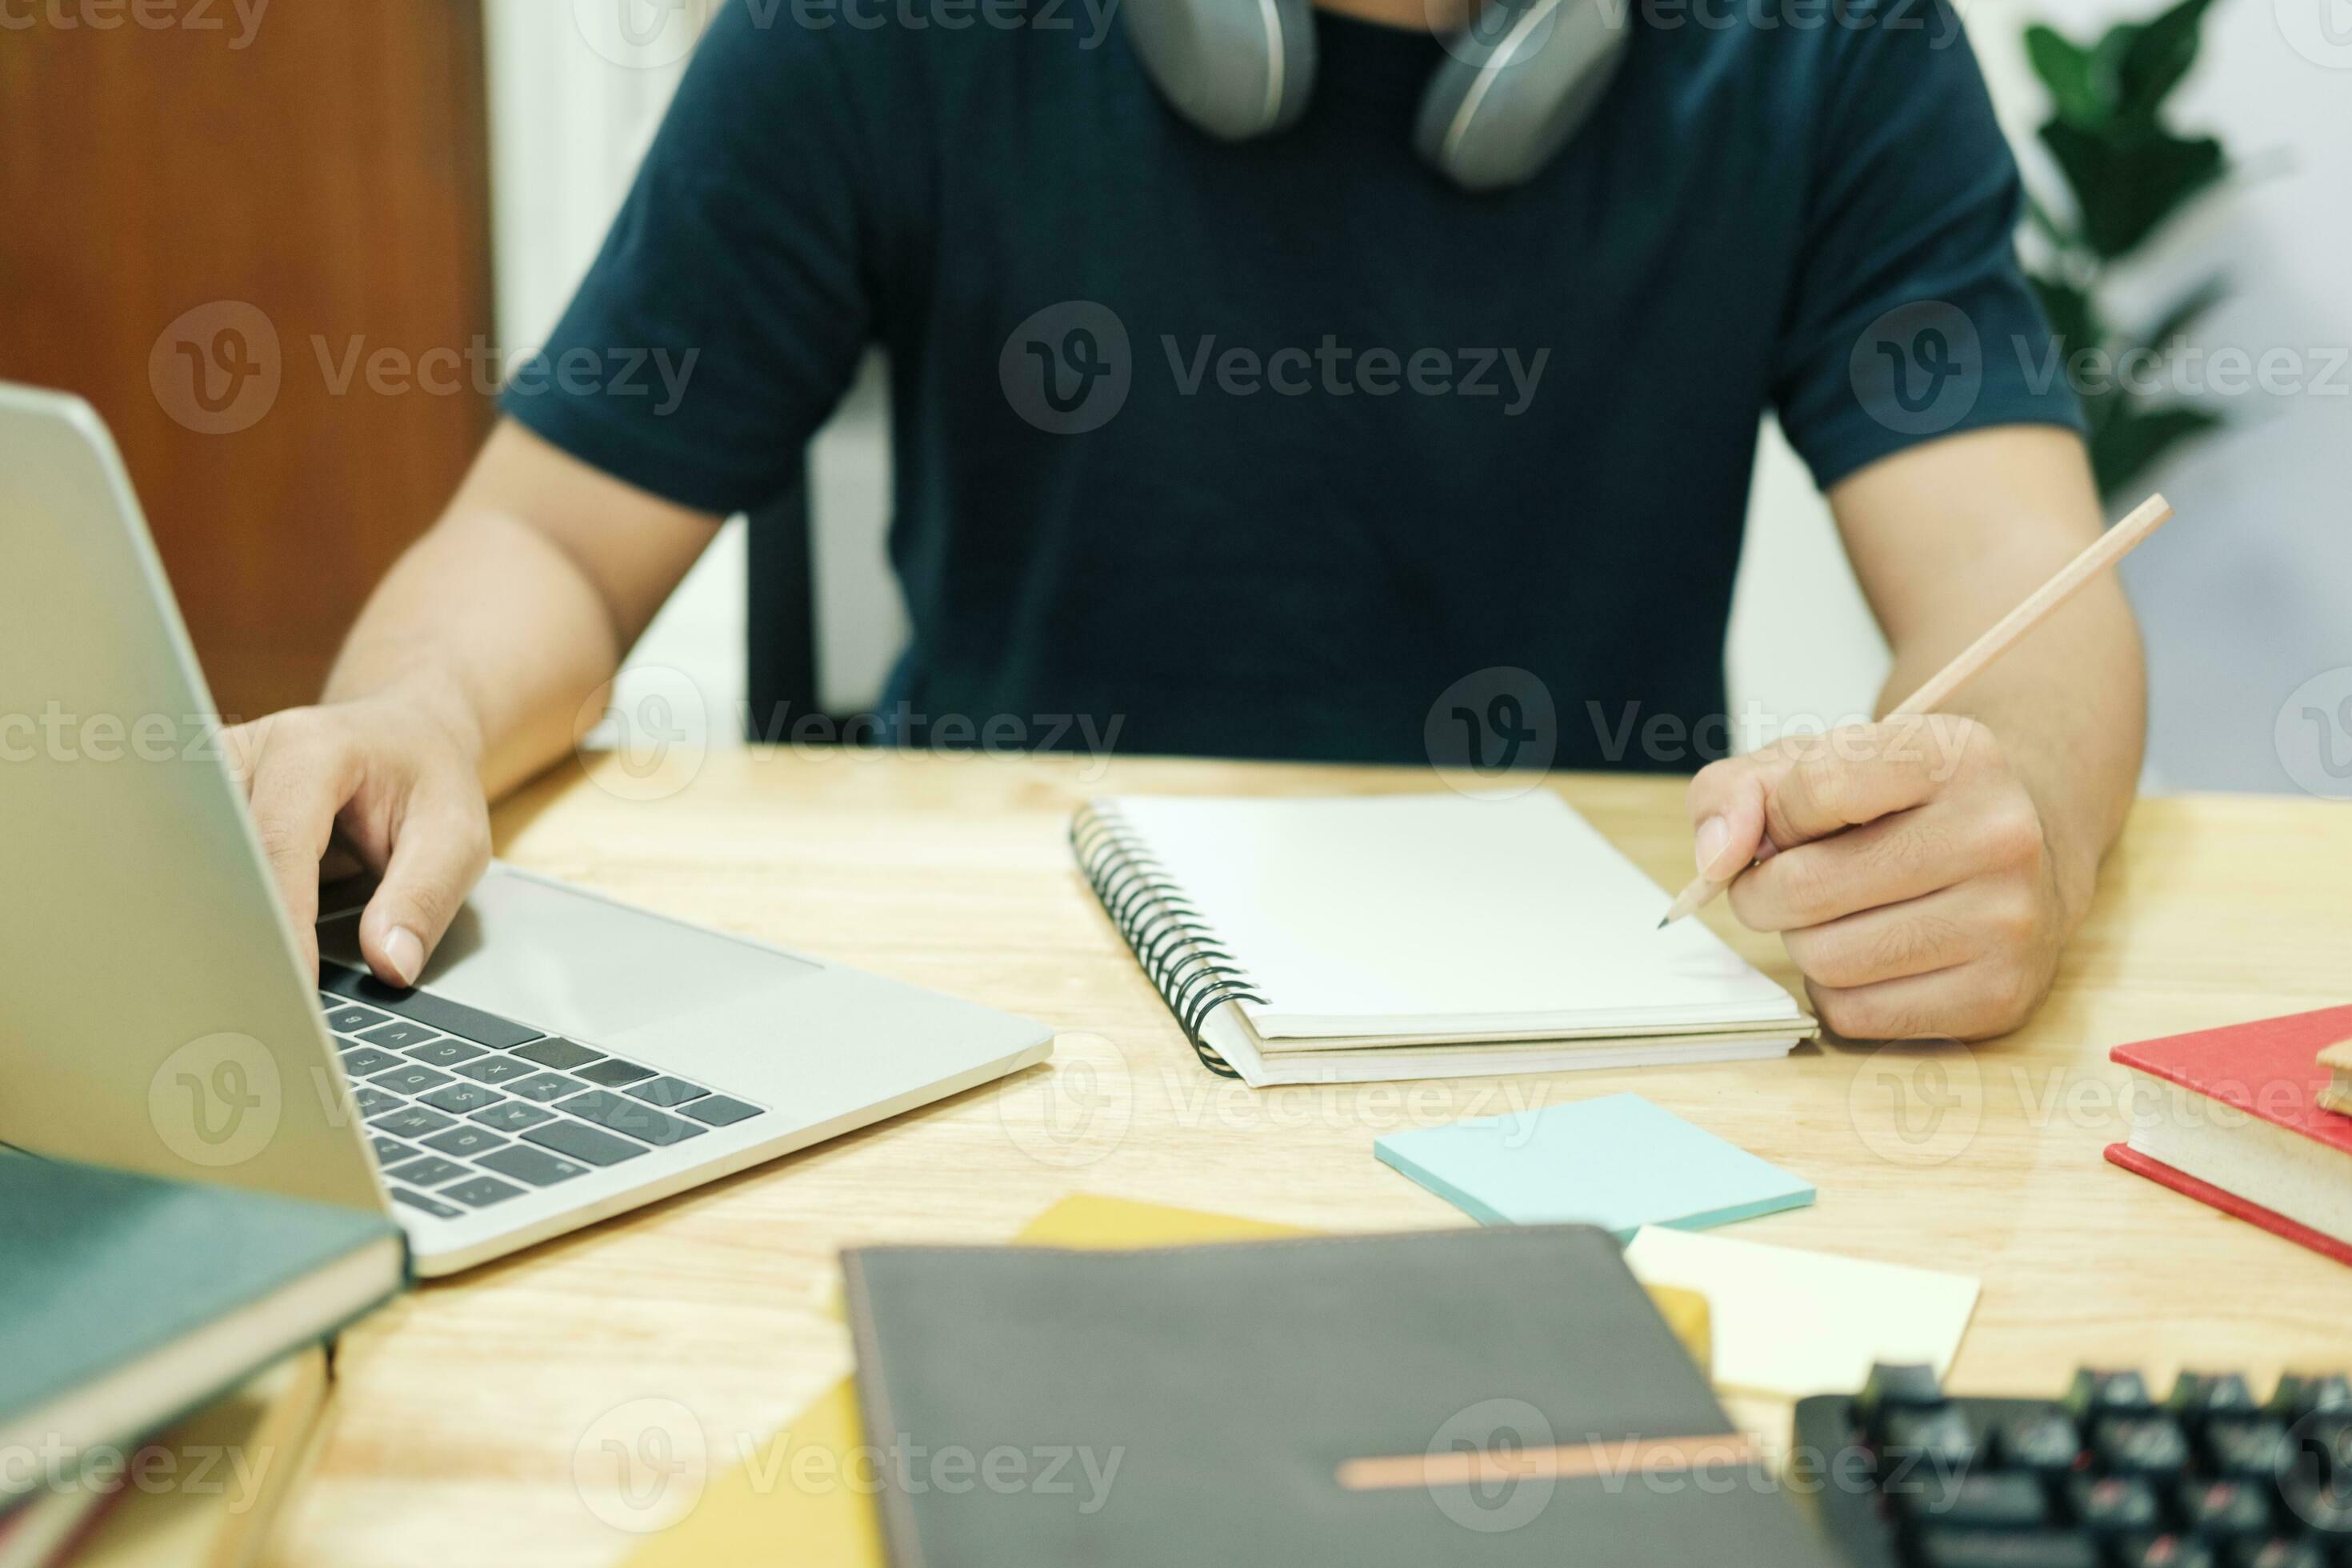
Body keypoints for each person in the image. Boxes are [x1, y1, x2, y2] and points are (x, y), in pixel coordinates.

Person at [224, 0, 2143, 1044]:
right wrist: (416, 715)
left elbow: (2018, 575)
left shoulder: (1837, 42)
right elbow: (552, 539)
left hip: (1606, 1025)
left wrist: (2021, 817)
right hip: (1002, 1016)